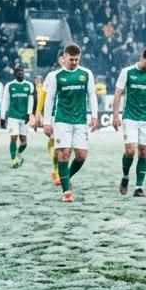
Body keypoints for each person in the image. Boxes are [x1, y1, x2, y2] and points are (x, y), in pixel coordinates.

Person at [42, 44, 99, 203]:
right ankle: (66, 191)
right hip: (62, 121)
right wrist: (47, 121)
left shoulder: (86, 74)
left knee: (81, 156)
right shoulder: (56, 76)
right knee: (64, 153)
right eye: (71, 59)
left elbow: (92, 96)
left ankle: (65, 176)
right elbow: (50, 99)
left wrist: (94, 116)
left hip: (80, 121)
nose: (74, 62)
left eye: (76, 59)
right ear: (64, 58)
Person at [112, 48, 146, 198]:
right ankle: (125, 176)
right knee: (130, 151)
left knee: (143, 151)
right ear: (143, 59)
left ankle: (139, 188)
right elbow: (118, 94)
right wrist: (115, 115)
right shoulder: (127, 72)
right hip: (130, 117)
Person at [2, 65, 37, 169]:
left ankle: (17, 155)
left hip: (24, 117)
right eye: (18, 71)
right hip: (13, 116)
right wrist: (3, 116)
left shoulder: (29, 85)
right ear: (14, 74)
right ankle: (14, 160)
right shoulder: (9, 85)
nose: (20, 73)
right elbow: (5, 101)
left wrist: (29, 114)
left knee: (24, 142)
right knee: (13, 138)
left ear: (24, 72)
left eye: (21, 71)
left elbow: (31, 100)